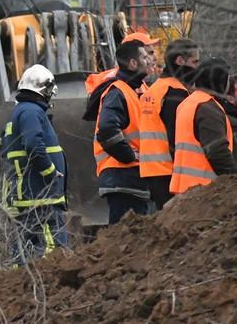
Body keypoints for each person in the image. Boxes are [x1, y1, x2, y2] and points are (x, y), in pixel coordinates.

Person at [0, 65, 67, 263]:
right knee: (54, 251)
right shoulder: (31, 112)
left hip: (32, 193)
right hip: (41, 193)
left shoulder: (21, 111)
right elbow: (33, 144)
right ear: (44, 90)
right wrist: (50, 172)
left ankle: (24, 285)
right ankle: (48, 287)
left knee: (27, 248)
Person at [91, 39, 156, 224]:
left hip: (133, 180)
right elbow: (106, 130)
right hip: (123, 179)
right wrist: (129, 156)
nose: (150, 61)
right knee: (125, 241)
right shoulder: (117, 92)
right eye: (145, 57)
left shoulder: (136, 89)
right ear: (133, 63)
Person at [138, 38, 200, 209]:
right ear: (180, 61)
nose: (197, 67)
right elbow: (178, 137)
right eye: (195, 61)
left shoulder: (155, 89)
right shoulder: (175, 93)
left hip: (152, 170)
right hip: (169, 172)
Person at [170, 58, 237, 195]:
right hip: (206, 191)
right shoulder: (208, 108)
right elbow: (217, 152)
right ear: (221, 83)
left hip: (187, 190)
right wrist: (234, 179)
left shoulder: (188, 103)